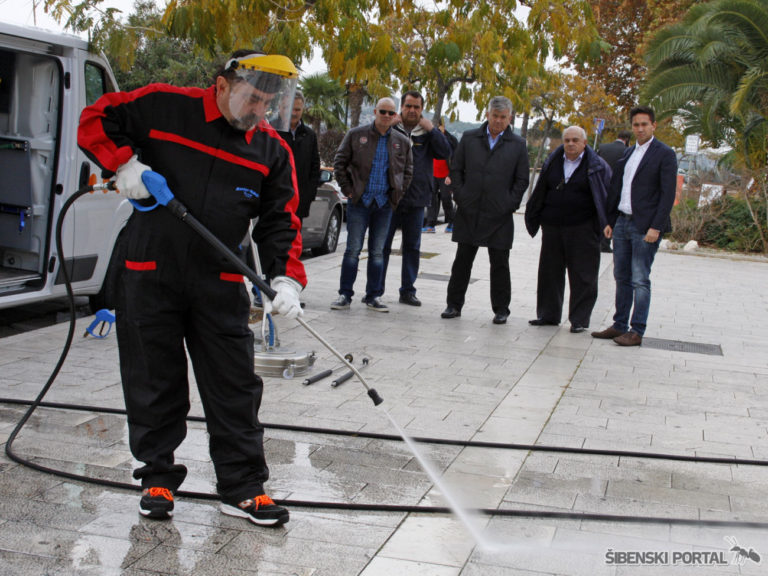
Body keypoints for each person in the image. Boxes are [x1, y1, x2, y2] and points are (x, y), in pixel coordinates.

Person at [78, 50, 307, 527]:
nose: (259, 113)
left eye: (269, 105)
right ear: (221, 86)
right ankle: (157, 478)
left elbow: (280, 222)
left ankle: (243, 487)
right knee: (153, 379)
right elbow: (95, 119)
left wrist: (284, 279)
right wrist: (124, 167)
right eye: (252, 99)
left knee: (235, 387)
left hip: (220, 281)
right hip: (149, 272)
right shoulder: (164, 106)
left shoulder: (270, 150)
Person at [591, 106, 677, 346]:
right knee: (621, 275)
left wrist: (656, 227)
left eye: (644, 124)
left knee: (640, 278)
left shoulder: (665, 154)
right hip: (622, 222)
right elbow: (617, 189)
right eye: (636, 125)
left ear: (653, 126)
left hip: (645, 227)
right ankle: (619, 325)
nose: (640, 129)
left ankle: (636, 330)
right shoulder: (628, 154)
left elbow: (667, 194)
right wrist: (610, 221)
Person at [441, 96, 529, 325]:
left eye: (503, 117)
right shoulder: (470, 138)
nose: (498, 121)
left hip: (499, 214)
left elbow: (522, 180)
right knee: (462, 261)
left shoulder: (518, 145)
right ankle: (453, 305)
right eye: (495, 116)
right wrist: (461, 195)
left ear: (509, 118)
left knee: (500, 263)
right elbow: (456, 170)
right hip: (470, 211)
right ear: (488, 115)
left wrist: (509, 203)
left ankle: (501, 309)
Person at [525, 126, 611, 333]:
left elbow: (605, 195)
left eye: (575, 140)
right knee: (550, 273)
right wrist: (535, 216)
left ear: (584, 143)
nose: (570, 144)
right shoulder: (553, 162)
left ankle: (579, 319)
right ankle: (548, 314)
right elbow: (541, 190)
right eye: (567, 140)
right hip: (553, 226)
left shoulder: (597, 166)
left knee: (583, 275)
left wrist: (606, 224)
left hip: (583, 228)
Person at [331, 97, 413, 311]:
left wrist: (398, 194)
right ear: (375, 111)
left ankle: (373, 295)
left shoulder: (401, 141)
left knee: (377, 252)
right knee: (353, 250)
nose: (386, 116)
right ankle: (344, 295)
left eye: (390, 113)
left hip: (385, 204)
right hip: (360, 202)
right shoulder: (356, 135)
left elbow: (408, 171)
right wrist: (348, 189)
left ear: (395, 116)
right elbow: (340, 162)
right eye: (382, 112)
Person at [377, 91, 451, 307]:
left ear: (422, 110)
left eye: (416, 107)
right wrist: (390, 125)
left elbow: (445, 152)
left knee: (412, 247)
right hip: (389, 198)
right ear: (401, 107)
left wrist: (433, 130)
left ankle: (408, 291)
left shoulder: (427, 133)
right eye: (408, 106)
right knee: (382, 246)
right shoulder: (391, 128)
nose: (412, 110)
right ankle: (376, 289)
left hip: (417, 198)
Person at [276, 90, 320, 222]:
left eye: (297, 109)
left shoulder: (310, 135)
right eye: (289, 108)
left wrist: (308, 195)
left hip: (298, 204)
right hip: (272, 201)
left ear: (303, 110)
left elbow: (315, 166)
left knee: (293, 241)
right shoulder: (269, 130)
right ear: (280, 107)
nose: (293, 113)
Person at [596, 130, 631, 253]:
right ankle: (605, 242)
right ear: (627, 140)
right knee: (611, 215)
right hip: (616, 188)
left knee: (600, 212)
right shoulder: (627, 151)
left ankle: (598, 240)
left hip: (601, 185)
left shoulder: (603, 147)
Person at [425, 118, 459, 232]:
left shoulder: (450, 140)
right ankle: (430, 224)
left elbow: (456, 156)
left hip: (446, 175)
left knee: (446, 199)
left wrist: (451, 175)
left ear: (442, 126)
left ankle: (452, 223)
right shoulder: (430, 138)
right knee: (431, 200)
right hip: (433, 174)